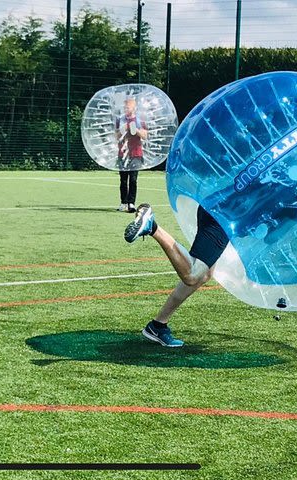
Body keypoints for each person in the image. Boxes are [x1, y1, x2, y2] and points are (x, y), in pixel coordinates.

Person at [123, 203, 229, 347]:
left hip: (217, 206)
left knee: (205, 274)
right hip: (225, 215)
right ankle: (152, 227)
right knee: (192, 275)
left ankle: (157, 326)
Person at [115, 97, 148, 213]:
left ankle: (131, 203)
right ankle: (123, 202)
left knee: (133, 179)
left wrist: (136, 130)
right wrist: (123, 129)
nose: (125, 109)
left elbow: (144, 136)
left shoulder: (140, 120)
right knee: (123, 180)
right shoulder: (120, 120)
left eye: (127, 107)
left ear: (134, 108)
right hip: (123, 153)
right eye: (124, 107)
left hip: (136, 153)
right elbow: (117, 136)